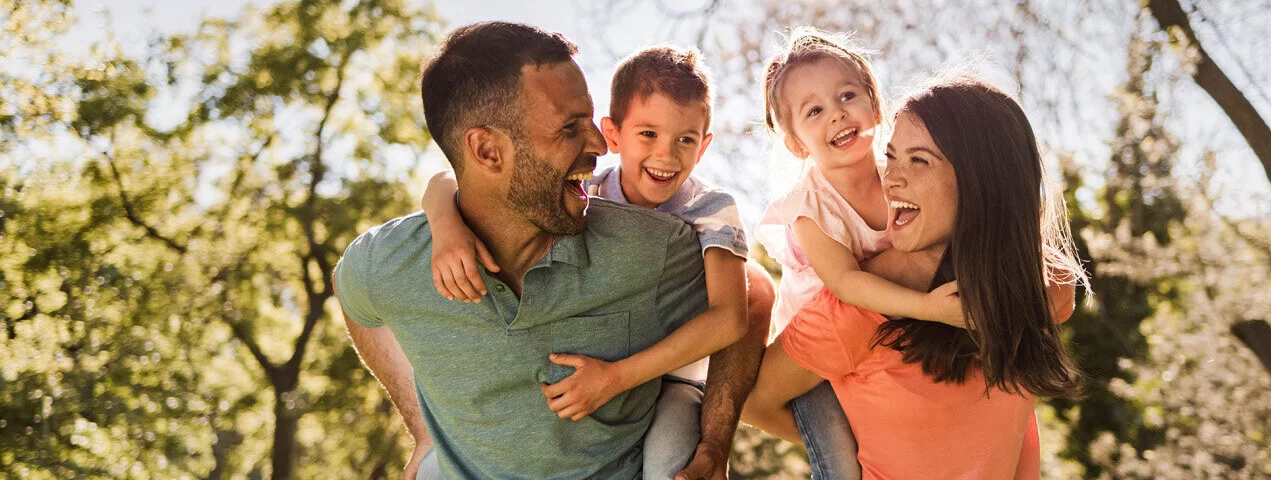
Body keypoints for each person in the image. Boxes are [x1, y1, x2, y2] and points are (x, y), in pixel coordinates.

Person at [334, 22, 761, 480]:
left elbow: (750, 300)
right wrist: (423, 430)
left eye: (685, 139)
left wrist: (714, 443)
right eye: (568, 128)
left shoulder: (664, 239)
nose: (599, 147)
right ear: (486, 151)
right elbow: (354, 293)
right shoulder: (393, 261)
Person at [743, 75, 1086, 479]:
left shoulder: (1046, 285)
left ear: (983, 179)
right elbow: (755, 404)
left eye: (919, 160)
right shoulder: (856, 311)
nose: (890, 179)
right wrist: (851, 450)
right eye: (891, 157)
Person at [750, 28, 967, 480]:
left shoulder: (901, 176)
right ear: (796, 143)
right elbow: (847, 285)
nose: (837, 114)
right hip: (813, 362)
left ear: (874, 103)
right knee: (843, 467)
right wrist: (930, 308)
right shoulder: (810, 206)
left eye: (847, 95)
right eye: (814, 111)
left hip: (875, 338)